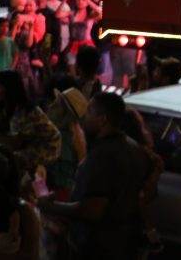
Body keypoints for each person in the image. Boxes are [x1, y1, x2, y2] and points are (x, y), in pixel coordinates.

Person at [38, 92, 152, 259]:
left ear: (103, 119)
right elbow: (147, 196)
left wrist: (50, 206)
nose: (85, 116)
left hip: (98, 246)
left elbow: (92, 210)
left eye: (90, 111)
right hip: (125, 244)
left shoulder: (104, 155)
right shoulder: (136, 149)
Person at [0, 70, 60, 174]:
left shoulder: (22, 111)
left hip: (46, 149)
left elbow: (14, 144)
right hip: (26, 146)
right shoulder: (3, 107)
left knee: (0, 161)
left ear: (9, 89)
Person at [121, 108, 165, 254]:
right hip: (136, 219)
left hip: (128, 219)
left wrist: (148, 228)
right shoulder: (147, 153)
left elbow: (138, 195)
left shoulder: (132, 153)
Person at [44, 86, 88, 200]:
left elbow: (61, 179)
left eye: (57, 105)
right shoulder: (76, 133)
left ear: (66, 114)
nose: (51, 105)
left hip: (59, 195)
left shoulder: (64, 138)